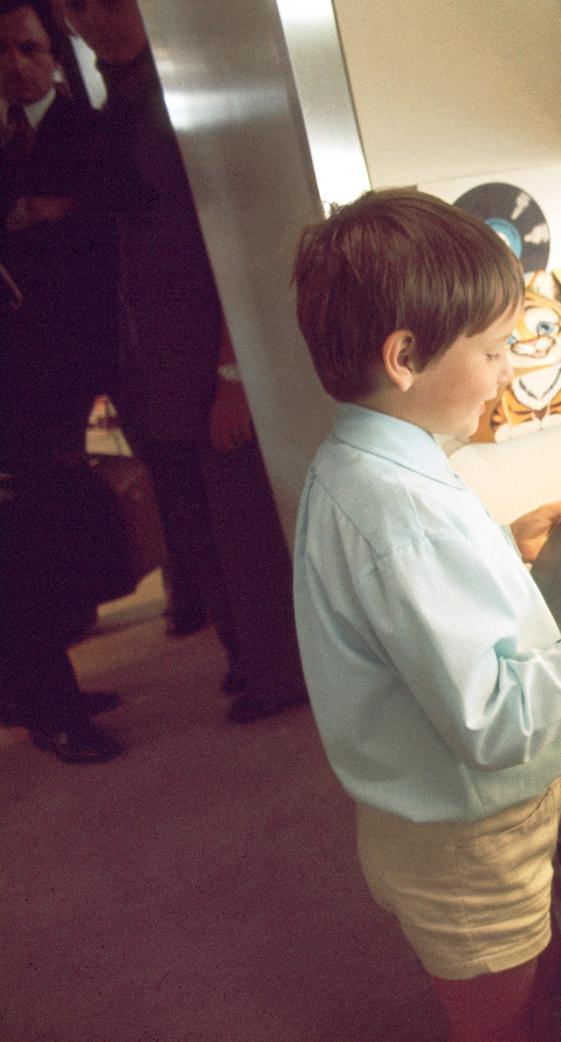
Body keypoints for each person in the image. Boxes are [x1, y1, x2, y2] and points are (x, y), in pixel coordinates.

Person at [289, 188, 561, 1042]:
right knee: (499, 1007)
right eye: (494, 349)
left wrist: (504, 550)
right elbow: (497, 719)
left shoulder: (364, 466)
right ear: (404, 356)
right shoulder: (405, 517)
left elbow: (407, 621)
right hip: (467, 841)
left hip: (432, 825)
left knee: (527, 965)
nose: (511, 368)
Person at [62, 0, 307, 723]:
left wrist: (234, 374)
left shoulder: (183, 96)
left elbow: (242, 235)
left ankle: (278, 674)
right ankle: (249, 661)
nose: (101, 17)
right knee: (200, 529)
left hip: (210, 358)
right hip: (157, 361)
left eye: (114, 0)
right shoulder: (119, 99)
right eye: (80, 7)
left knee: (242, 524)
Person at [0, 0, 121, 763]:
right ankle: (51, 706)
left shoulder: (80, 127)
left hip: (52, 362)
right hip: (18, 374)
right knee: (22, 542)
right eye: (2, 51)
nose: (14, 63)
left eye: (26, 48)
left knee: (45, 530)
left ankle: (50, 693)